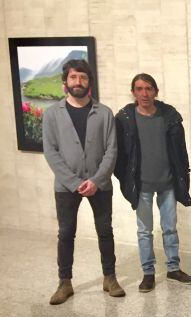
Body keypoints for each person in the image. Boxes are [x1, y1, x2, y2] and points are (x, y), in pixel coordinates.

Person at [43, 59, 124, 304]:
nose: (78, 82)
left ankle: (110, 277)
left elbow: (112, 150)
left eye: (83, 78)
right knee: (66, 233)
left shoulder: (104, 113)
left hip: (100, 186)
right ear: (65, 82)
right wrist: (74, 182)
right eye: (73, 77)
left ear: (89, 82)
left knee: (105, 231)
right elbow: (51, 151)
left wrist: (97, 180)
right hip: (67, 187)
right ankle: (64, 282)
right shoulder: (52, 114)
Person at [115, 73, 191, 292]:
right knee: (144, 231)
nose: (144, 93)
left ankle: (173, 268)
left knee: (170, 228)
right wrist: (126, 180)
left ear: (156, 92)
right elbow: (119, 155)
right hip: (141, 185)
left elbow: (180, 150)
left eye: (149, 88)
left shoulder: (168, 115)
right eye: (139, 89)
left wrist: (184, 174)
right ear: (133, 92)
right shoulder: (124, 119)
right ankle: (148, 273)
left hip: (167, 183)